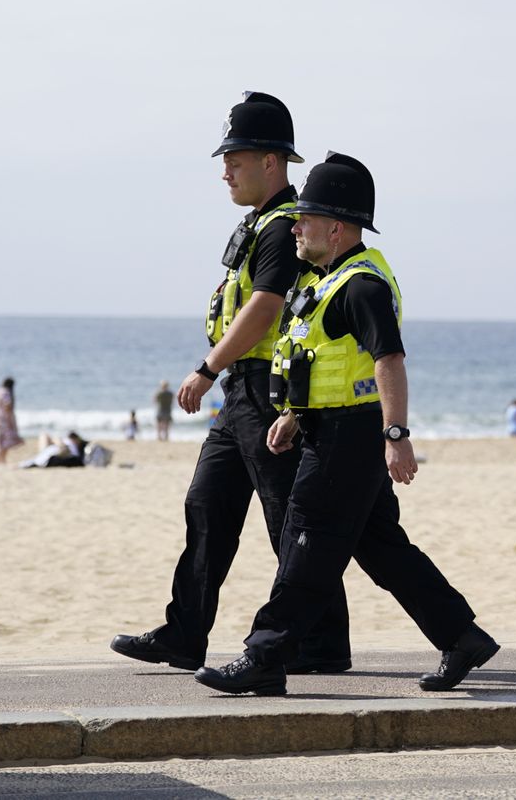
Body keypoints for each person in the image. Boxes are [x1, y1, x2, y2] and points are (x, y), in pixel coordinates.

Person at [194, 151, 496, 697]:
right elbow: (325, 362)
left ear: (335, 229)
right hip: (329, 431)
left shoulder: (362, 286)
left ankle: (264, 656)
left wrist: (397, 437)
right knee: (382, 548)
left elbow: (389, 361)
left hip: (350, 439)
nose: (295, 227)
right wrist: (291, 415)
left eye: (306, 219)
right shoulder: (328, 279)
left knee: (303, 542)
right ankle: (462, 636)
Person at [112, 92, 352, 676]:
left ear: (272, 162)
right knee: (207, 506)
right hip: (240, 396)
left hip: (265, 393)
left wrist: (207, 367)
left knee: (286, 521)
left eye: (236, 159)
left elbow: (266, 308)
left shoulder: (281, 228)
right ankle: (184, 633)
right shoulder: (259, 225)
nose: (225, 170)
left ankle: (321, 644)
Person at [0, 377, 24, 464]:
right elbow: (8, 406)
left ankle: (0, 459)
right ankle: (1, 458)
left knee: (1, 439)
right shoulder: (6, 393)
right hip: (5, 419)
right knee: (7, 440)